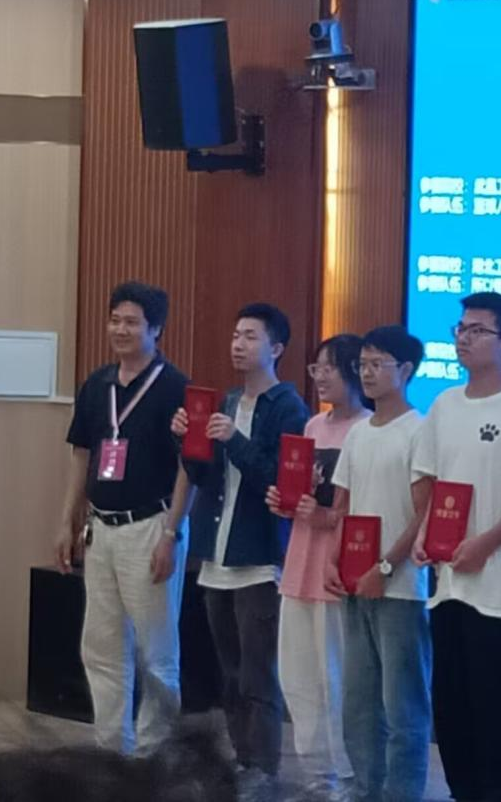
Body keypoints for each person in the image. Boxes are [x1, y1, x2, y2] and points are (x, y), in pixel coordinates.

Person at [411, 293, 501, 802]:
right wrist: (426, 535)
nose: (464, 338)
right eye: (461, 328)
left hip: (500, 588)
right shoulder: (444, 404)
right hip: (448, 584)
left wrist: (483, 544)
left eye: (478, 330)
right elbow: (427, 479)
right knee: (452, 707)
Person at [176, 303, 309, 799]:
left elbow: (279, 480)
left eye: (251, 336)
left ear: (276, 348)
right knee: (229, 674)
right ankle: (240, 760)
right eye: (236, 335)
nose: (238, 344)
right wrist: (187, 441)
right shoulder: (227, 401)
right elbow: (205, 476)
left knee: (258, 675)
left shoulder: (288, 407)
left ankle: (264, 768)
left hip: (258, 559)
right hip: (217, 554)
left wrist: (233, 439)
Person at [58, 281, 190, 754]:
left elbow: (189, 466)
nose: (120, 329)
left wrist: (171, 533)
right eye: (114, 320)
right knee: (101, 646)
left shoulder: (176, 387)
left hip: (151, 526)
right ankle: (112, 750)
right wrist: (67, 520)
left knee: (156, 653)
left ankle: (156, 756)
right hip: (101, 528)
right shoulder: (97, 385)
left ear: (156, 329)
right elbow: (82, 455)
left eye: (132, 322)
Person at [326, 325, 432, 802]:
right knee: (359, 702)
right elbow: (344, 505)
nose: (366, 374)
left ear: (405, 370)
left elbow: (424, 514)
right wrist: (334, 560)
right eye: (362, 365)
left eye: (377, 364)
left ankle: (401, 794)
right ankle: (366, 789)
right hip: (356, 584)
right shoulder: (359, 432)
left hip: (400, 589)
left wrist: (385, 568)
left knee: (402, 706)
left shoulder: (420, 430)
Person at [265, 334, 371, 802]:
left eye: (329, 367)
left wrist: (327, 515)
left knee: (336, 677)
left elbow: (370, 508)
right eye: (316, 368)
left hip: (338, 569)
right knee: (299, 676)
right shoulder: (312, 426)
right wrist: (285, 501)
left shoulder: (368, 429)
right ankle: (314, 777)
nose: (321, 377)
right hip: (300, 561)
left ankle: (346, 777)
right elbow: (303, 490)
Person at [0, 727, 236, 802]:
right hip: (100, 557)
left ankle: (150, 749)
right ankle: (113, 742)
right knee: (100, 654)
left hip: (149, 559)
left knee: (156, 655)